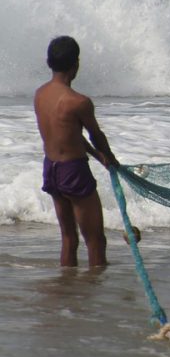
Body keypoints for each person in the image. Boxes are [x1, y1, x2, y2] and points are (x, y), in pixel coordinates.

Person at [34, 36, 119, 267]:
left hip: (51, 169)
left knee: (69, 239)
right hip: (74, 172)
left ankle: (68, 285)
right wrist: (110, 158)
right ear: (76, 64)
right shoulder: (78, 102)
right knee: (96, 241)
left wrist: (96, 155)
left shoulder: (40, 94)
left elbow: (68, 133)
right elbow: (95, 135)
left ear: (49, 62)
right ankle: (95, 286)